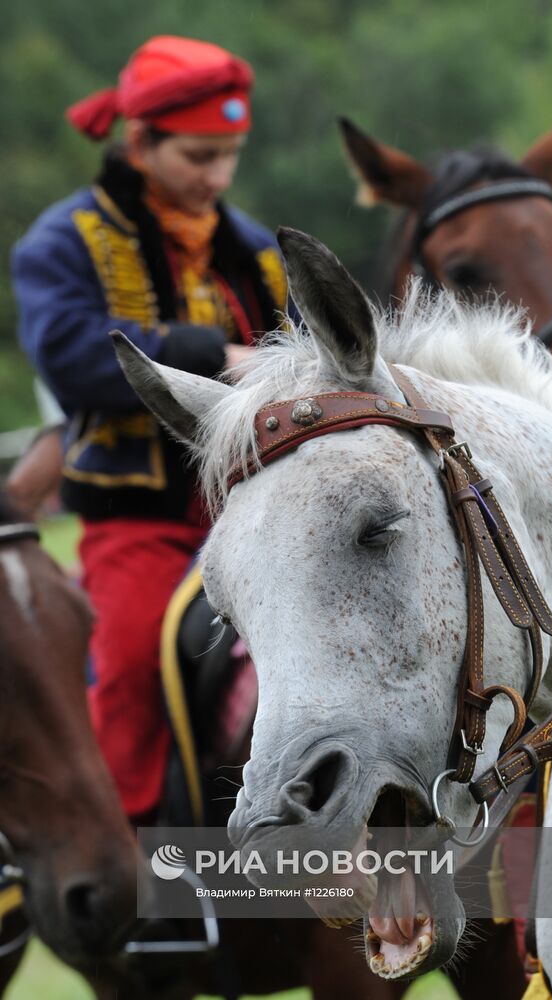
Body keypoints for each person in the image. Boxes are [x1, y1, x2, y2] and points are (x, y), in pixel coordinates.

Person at [11, 35, 289, 824]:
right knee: (132, 661)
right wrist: (216, 358)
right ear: (140, 143)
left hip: (261, 510)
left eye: (231, 156)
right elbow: (73, 359)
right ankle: (130, 859)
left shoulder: (259, 250)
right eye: (200, 157)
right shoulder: (62, 243)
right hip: (140, 525)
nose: (219, 178)